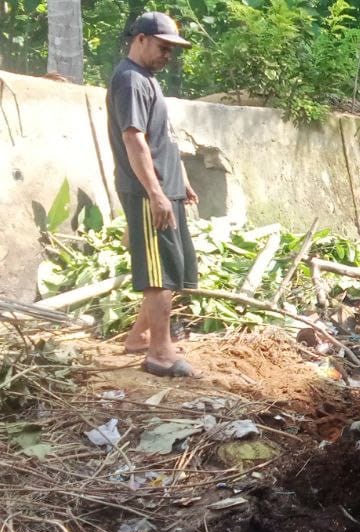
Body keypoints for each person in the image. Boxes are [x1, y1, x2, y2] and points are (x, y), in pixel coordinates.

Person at [107, 12, 199, 377]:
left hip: (167, 186)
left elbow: (163, 139)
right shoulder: (130, 79)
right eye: (163, 48)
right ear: (141, 39)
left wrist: (182, 180)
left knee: (171, 269)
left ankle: (137, 338)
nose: (167, 56)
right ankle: (160, 353)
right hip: (150, 192)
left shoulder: (147, 80)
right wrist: (156, 194)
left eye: (171, 51)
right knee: (159, 274)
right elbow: (134, 139)